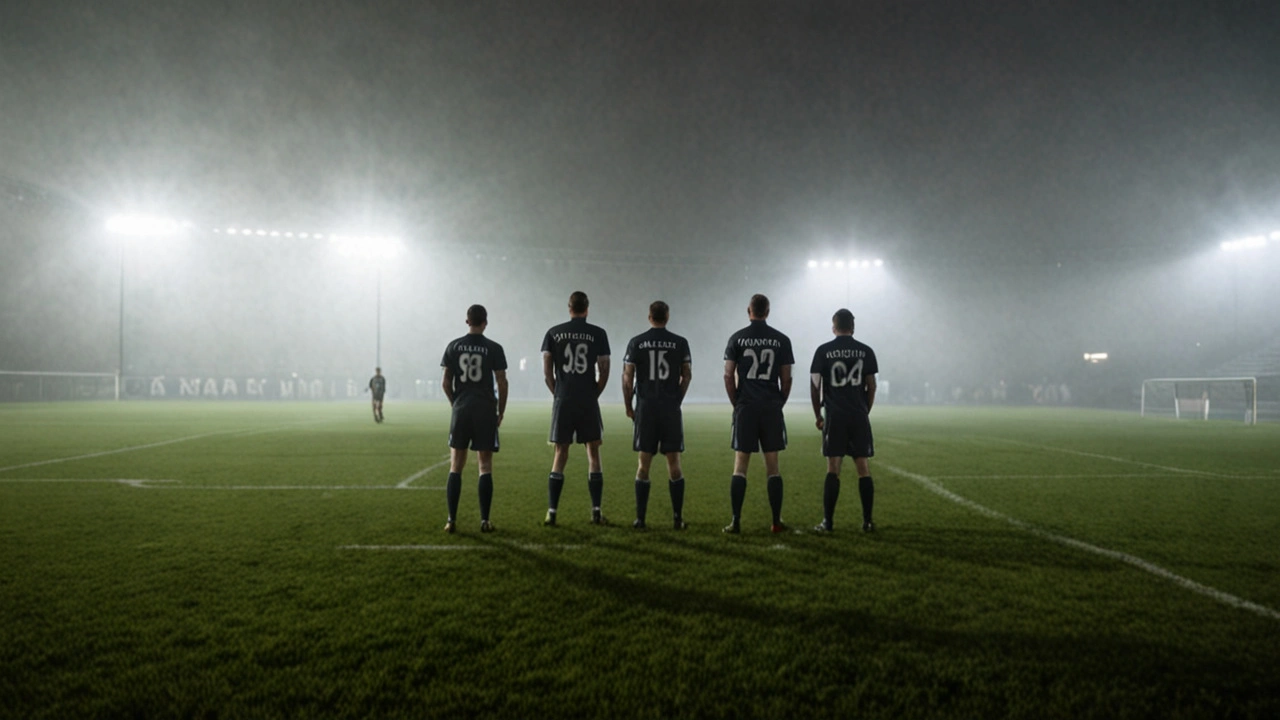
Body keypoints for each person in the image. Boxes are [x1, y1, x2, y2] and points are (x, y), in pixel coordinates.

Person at [722, 293, 794, 534]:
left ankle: (736, 521)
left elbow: (728, 374)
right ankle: (775, 521)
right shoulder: (781, 340)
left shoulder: (737, 338)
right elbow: (786, 378)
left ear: (748, 310)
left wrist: (737, 402)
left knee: (740, 465)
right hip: (771, 406)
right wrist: (778, 402)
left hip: (746, 407)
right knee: (773, 466)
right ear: (768, 311)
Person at [541, 290, 611, 526]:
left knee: (560, 453)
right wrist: (594, 394)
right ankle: (596, 510)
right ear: (587, 308)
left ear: (569, 308)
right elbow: (604, 369)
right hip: (587, 399)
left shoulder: (553, 332)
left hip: (564, 398)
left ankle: (552, 512)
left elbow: (547, 372)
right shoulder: (598, 333)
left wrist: (558, 394)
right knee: (593, 452)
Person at [622, 301, 692, 530]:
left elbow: (627, 377)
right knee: (674, 463)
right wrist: (676, 400)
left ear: (649, 316)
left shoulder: (637, 342)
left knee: (643, 464)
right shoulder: (680, 343)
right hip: (669, 409)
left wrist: (629, 406)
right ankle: (677, 519)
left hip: (646, 408)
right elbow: (687, 375)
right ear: (667, 316)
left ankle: (640, 519)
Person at [440, 305, 509, 533]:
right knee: (485, 466)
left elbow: (445, 382)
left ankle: (451, 520)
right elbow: (502, 382)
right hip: (485, 410)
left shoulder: (454, 346)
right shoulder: (494, 348)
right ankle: (485, 521)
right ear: (485, 322)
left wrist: (455, 403)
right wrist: (500, 410)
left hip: (462, 409)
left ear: (466, 321)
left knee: (455, 466)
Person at [809, 308, 879, 533]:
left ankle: (828, 522)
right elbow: (872, 385)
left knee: (833, 468)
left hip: (835, 416)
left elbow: (815, 385)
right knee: (863, 468)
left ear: (833, 327)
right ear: (853, 327)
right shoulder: (865, 351)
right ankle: (867, 522)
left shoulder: (823, 351)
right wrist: (864, 411)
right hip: (858, 415)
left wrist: (817, 415)